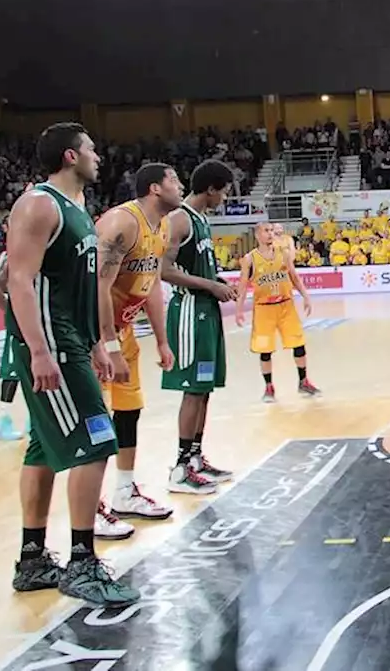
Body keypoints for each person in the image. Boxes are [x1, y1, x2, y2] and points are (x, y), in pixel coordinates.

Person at [7, 122, 139, 606]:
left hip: (71, 341)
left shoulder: (77, 211)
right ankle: (82, 563)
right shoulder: (38, 203)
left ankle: (33, 559)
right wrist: (38, 350)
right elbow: (15, 281)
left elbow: (79, 287)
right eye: (90, 150)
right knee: (97, 440)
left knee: (42, 450)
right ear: (69, 156)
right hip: (51, 344)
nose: (98, 156)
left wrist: (97, 343)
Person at [93, 163, 183, 535]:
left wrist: (162, 339)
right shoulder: (121, 223)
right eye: (174, 180)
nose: (180, 186)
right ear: (154, 188)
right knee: (95, 422)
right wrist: (108, 345)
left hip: (124, 331)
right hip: (94, 338)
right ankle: (92, 508)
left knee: (129, 412)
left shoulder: (161, 226)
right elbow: (96, 286)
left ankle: (124, 492)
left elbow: (152, 286)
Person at [160, 160, 239, 494]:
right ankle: (179, 469)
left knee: (204, 389)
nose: (224, 197)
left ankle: (195, 458)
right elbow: (163, 269)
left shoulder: (202, 220)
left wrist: (215, 281)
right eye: (223, 191)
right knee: (192, 389)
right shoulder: (179, 219)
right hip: (190, 311)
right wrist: (209, 286)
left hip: (206, 312)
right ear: (210, 189)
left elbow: (194, 268)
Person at [236, 221, 320, 402]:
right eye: (266, 230)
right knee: (265, 349)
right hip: (264, 309)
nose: (270, 233)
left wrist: (306, 296)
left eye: (272, 230)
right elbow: (242, 286)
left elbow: (294, 277)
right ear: (257, 235)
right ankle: (269, 387)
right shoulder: (250, 259)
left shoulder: (284, 254)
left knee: (298, 343)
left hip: (286, 305)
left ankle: (303, 381)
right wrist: (239, 309)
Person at [0, 257, 25, 441]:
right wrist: (13, 312)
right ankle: (2, 420)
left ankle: (34, 419)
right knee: (12, 373)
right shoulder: (12, 259)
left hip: (38, 320)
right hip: (19, 326)